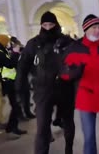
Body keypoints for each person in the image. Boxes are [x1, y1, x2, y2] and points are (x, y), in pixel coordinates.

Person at [15, 11, 75, 154]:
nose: (48, 28)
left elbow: (78, 62)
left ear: (56, 24)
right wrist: (19, 86)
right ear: (41, 25)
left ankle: (69, 150)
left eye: (51, 24)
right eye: (45, 25)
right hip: (43, 90)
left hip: (65, 88)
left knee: (68, 122)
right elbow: (23, 66)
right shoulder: (34, 44)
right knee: (42, 126)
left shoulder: (66, 42)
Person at [60, 14, 99, 154]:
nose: (97, 30)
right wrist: (72, 73)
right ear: (85, 29)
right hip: (86, 96)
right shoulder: (75, 48)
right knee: (89, 137)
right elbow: (63, 72)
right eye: (93, 27)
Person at [0, 34, 27, 139]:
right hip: (7, 82)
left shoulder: (0, 51)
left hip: (9, 81)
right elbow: (10, 64)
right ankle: (11, 127)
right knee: (15, 105)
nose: (8, 43)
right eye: (6, 41)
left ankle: (12, 127)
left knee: (15, 105)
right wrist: (16, 53)